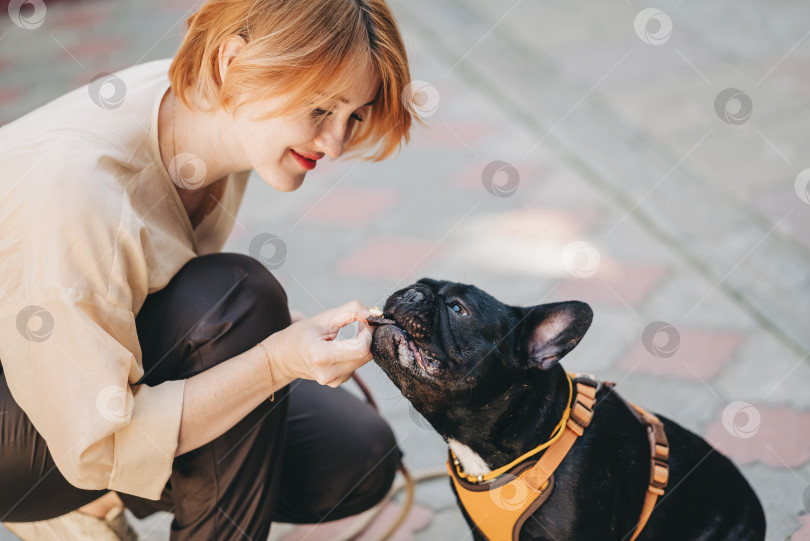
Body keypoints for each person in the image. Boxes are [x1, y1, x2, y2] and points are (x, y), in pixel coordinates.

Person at [0, 0, 415, 539]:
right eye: (319, 110)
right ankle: (79, 507)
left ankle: (100, 501)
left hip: (59, 364)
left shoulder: (212, 118)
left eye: (352, 115)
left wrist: (279, 343)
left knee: (354, 455)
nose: (334, 143)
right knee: (238, 301)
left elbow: (169, 300)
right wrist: (273, 361)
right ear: (232, 63)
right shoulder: (82, 188)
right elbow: (92, 446)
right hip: (45, 415)